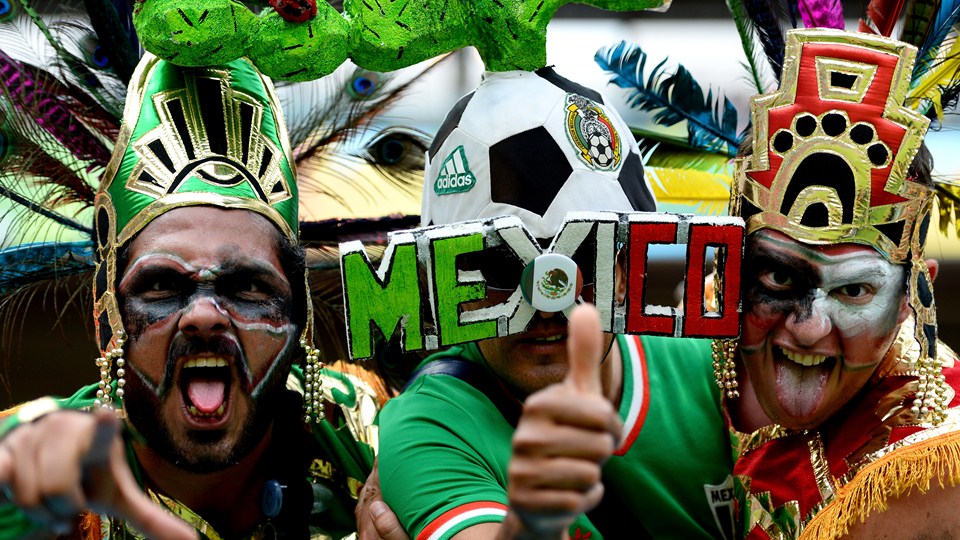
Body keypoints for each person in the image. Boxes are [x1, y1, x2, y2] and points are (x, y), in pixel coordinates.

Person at [0, 53, 378, 539]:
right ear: (105, 317)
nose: (204, 315)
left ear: (298, 315)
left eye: (247, 286)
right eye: (162, 286)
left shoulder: (375, 439)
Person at [376, 68, 736, 539]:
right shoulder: (429, 426)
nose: (546, 303)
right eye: (505, 267)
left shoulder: (715, 364)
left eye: (581, 258)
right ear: (447, 278)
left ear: (629, 266)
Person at [722, 28, 960, 539]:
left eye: (853, 290)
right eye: (779, 276)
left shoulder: (932, 473)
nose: (808, 330)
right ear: (727, 272)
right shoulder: (726, 364)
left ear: (911, 299)